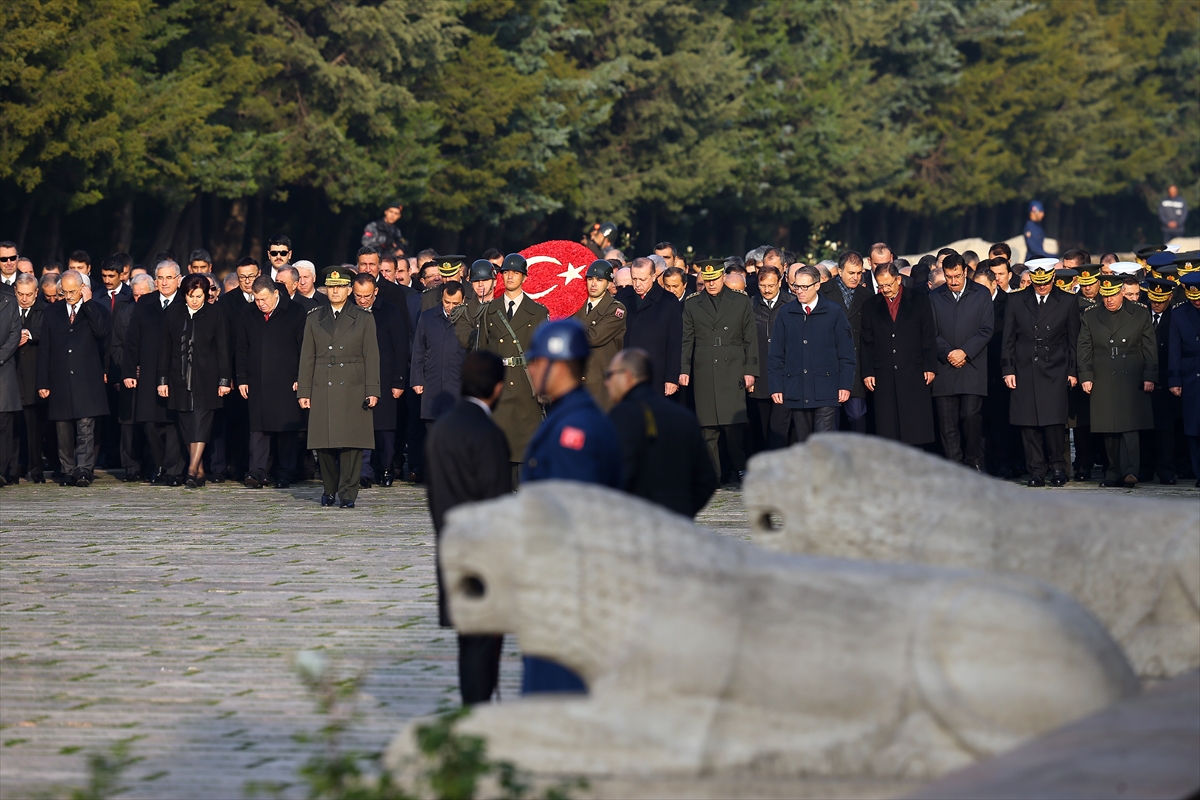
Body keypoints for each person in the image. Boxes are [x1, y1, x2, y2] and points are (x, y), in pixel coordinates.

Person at [521, 319, 622, 695]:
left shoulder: (572, 430)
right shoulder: (572, 417)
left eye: (535, 361)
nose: (529, 368)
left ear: (558, 365)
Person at [424, 350, 512, 705]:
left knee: (468, 645)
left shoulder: (441, 429)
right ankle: (477, 722)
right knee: (483, 648)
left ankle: (470, 714)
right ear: (497, 388)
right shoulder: (488, 433)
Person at [298, 266, 380, 508]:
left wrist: (372, 389)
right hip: (323, 382)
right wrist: (304, 390)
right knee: (323, 442)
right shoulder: (314, 317)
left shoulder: (364, 318)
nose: (335, 291)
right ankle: (329, 488)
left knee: (352, 442)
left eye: (340, 287)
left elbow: (372, 355)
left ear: (348, 290)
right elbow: (307, 357)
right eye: (331, 287)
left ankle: (347, 493)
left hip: (353, 383)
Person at [606, 347, 717, 516]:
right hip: (678, 522)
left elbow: (617, 476)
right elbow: (707, 480)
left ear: (627, 376)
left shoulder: (622, 416)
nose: (607, 383)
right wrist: (683, 510)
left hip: (639, 522)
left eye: (610, 375)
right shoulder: (684, 416)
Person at [1001, 261, 1080, 487]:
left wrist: (1073, 371)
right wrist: (1008, 370)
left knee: (1053, 422)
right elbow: (1007, 340)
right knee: (1028, 423)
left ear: (1053, 278)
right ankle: (1036, 470)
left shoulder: (1067, 300)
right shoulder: (1016, 300)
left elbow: (1074, 341)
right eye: (1038, 282)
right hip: (1025, 367)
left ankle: (1057, 467)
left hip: (1056, 367)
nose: (1042, 287)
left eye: (1046, 282)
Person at [679, 259, 758, 482]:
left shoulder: (740, 302)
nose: (711, 284)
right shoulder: (693, 303)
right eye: (707, 280)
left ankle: (740, 467)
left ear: (723, 277)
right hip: (704, 367)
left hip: (733, 367)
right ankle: (713, 474)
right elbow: (687, 339)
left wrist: (750, 370)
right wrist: (684, 368)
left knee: (733, 426)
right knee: (707, 427)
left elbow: (750, 339)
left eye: (715, 279)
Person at [473, 253, 549, 483]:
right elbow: (482, 352)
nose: (510, 277)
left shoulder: (537, 311)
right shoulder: (490, 310)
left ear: (524, 277)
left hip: (527, 386)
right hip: (500, 385)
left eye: (516, 273)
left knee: (525, 450)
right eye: (506, 272)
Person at [1078, 276, 1157, 488]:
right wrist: (1086, 376)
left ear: (1122, 292)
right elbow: (1084, 348)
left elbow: (1149, 347)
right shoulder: (1091, 315)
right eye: (1105, 296)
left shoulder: (1140, 313)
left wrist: (1150, 375)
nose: (1109, 300)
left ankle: (1131, 471)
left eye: (1113, 294)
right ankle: (1113, 472)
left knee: (1130, 426)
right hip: (1103, 373)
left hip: (1131, 373)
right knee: (1108, 426)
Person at [35, 270, 110, 487]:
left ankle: (84, 469)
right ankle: (67, 470)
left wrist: (87, 304)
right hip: (60, 379)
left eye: (72, 292)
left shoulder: (96, 309)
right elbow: (45, 348)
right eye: (64, 292)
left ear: (82, 289)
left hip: (86, 379)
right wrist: (43, 382)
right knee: (63, 428)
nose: (68, 296)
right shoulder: (52, 312)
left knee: (86, 427)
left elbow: (102, 332)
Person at [767, 263, 855, 446]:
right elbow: (776, 353)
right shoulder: (786, 313)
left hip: (826, 387)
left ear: (817, 285)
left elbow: (846, 352)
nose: (799, 291)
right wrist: (776, 386)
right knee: (804, 440)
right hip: (796, 388)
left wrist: (845, 384)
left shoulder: (834, 312)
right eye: (796, 286)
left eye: (804, 287)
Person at [156, 274, 231, 487]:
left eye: (199, 296)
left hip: (207, 379)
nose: (195, 300)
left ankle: (191, 469)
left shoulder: (215, 313)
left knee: (201, 424)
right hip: (178, 378)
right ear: (184, 295)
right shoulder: (173, 313)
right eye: (191, 296)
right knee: (187, 425)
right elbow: (165, 349)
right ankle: (199, 471)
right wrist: (162, 380)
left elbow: (223, 348)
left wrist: (224, 380)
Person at [238, 275, 308, 489]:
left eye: (264, 299)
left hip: (287, 381)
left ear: (276, 293)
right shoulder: (248, 313)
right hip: (257, 380)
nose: (261, 304)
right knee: (258, 429)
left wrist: (301, 378)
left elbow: (304, 348)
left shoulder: (295, 312)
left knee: (286, 430)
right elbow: (241, 348)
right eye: (256, 300)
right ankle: (257, 471)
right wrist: (241, 378)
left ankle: (285, 472)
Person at [861, 262, 938, 447]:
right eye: (880, 285)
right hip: (884, 372)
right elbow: (866, 341)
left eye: (888, 284)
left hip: (913, 370)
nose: (885, 289)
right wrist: (868, 371)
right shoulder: (871, 305)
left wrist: (930, 366)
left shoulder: (919, 300)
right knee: (887, 425)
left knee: (915, 424)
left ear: (898, 280)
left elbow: (927, 334)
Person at [928, 254, 994, 471]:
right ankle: (954, 466)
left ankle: (974, 460)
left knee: (971, 416)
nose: (953, 281)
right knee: (947, 423)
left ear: (965, 272)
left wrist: (964, 352)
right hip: (945, 367)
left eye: (957, 276)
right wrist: (949, 353)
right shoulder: (935, 296)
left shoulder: (981, 293)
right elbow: (931, 332)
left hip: (972, 366)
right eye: (948, 277)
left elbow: (986, 330)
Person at [123, 260, 184, 485]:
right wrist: (129, 371)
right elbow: (132, 340)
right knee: (149, 422)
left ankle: (173, 470)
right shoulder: (145, 302)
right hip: (148, 372)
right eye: (161, 278)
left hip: (177, 373)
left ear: (178, 279)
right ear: (155, 280)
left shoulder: (184, 301)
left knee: (173, 423)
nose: (165, 282)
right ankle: (159, 465)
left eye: (169, 277)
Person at [352, 273, 408, 488]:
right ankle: (363, 471)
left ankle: (386, 468)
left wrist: (398, 381)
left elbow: (400, 347)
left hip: (385, 378)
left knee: (384, 430)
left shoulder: (390, 312)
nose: (363, 300)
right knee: (360, 427)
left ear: (375, 291)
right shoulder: (350, 312)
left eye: (367, 296)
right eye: (358, 296)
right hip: (356, 379)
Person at [616, 257, 682, 399]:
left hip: (656, 371)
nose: (637, 284)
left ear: (653, 277)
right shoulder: (622, 297)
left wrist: (671, 377)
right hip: (627, 370)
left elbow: (675, 343)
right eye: (634, 279)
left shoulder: (668, 301)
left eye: (642, 279)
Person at [109, 273, 154, 481]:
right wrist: (127, 367)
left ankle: (152, 464)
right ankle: (131, 466)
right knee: (128, 424)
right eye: (135, 295)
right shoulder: (125, 313)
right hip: (130, 377)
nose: (138, 299)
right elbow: (116, 345)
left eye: (142, 295)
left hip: (152, 377)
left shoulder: (159, 313)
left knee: (150, 422)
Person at [821, 251, 872, 433]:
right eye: (851, 273)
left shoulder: (867, 296)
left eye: (859, 273)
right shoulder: (823, 293)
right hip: (829, 364)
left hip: (856, 366)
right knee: (830, 420)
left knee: (858, 416)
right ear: (840, 271)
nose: (856, 277)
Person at [747, 264, 793, 451]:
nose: (766, 290)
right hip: (759, 376)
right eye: (762, 285)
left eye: (771, 285)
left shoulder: (791, 304)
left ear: (780, 283)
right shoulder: (750, 305)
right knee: (760, 427)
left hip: (785, 376)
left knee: (779, 427)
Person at [570, 260, 626, 411]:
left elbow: (593, 337)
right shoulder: (575, 306)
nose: (593, 284)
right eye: (590, 279)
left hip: (600, 382)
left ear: (608, 284)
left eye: (599, 280)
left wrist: (566, 333)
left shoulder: (616, 310)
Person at [1141, 279, 1180, 484]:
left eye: (1161, 300)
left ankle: (1166, 471)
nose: (1156, 304)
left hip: (1165, 380)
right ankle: (1145, 469)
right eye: (1153, 299)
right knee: (1144, 428)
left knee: (1165, 430)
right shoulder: (1141, 314)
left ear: (1170, 297)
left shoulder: (1176, 316)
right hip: (1143, 380)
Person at [13, 274, 48, 482]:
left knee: (35, 427)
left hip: (35, 376)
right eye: (20, 294)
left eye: (28, 294)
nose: (24, 298)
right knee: (14, 427)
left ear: (36, 293)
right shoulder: (8, 310)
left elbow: (49, 333)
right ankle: (14, 467)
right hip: (13, 374)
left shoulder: (45, 310)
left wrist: (28, 334)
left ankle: (36, 469)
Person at [1168, 273, 1200, 486]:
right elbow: (1174, 349)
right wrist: (1174, 380)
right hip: (1190, 376)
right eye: (1192, 296)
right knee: (1193, 427)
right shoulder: (1179, 313)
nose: (1196, 300)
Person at [0, 286, 20, 484]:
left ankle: (1, 470)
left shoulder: (9, 301)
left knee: (4, 423)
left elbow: (15, 334)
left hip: (3, 369)